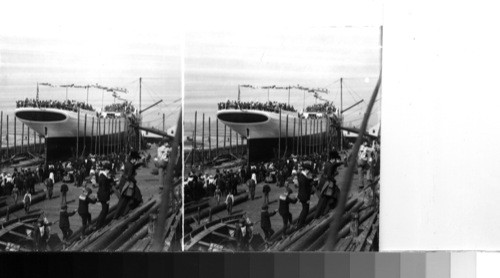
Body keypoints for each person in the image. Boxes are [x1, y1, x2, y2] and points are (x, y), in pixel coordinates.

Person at [114, 151, 143, 219]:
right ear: (133, 158)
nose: (136, 160)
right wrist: (134, 181)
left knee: (125, 199)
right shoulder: (130, 165)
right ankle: (125, 213)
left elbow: (132, 168)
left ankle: (119, 214)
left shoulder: (128, 163)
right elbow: (129, 176)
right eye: (136, 159)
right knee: (133, 197)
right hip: (127, 184)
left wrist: (138, 165)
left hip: (124, 183)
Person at [315, 151, 343, 218]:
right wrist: (334, 180)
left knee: (325, 199)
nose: (336, 160)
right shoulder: (330, 165)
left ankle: (319, 214)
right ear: (333, 159)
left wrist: (340, 163)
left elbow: (335, 165)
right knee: (327, 198)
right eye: (335, 159)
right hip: (327, 183)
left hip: (323, 181)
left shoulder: (327, 163)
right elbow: (329, 176)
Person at [96, 164, 113, 229]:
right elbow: (104, 189)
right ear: (107, 169)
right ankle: (99, 225)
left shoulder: (102, 176)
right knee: (104, 210)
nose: (109, 172)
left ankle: (99, 224)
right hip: (104, 196)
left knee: (104, 210)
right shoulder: (103, 177)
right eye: (109, 170)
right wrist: (107, 199)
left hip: (102, 195)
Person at [297, 163, 314, 229]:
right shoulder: (303, 178)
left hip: (301, 196)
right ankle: (300, 225)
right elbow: (304, 189)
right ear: (306, 170)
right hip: (304, 197)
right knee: (305, 210)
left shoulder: (302, 176)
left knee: (304, 210)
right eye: (309, 171)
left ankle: (299, 223)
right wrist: (307, 199)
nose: (309, 172)